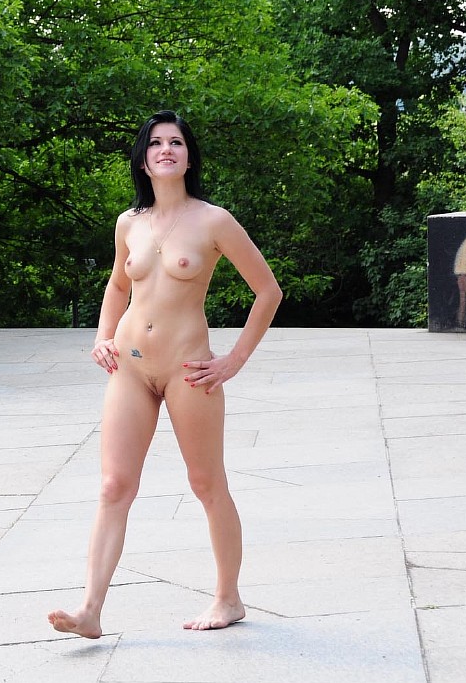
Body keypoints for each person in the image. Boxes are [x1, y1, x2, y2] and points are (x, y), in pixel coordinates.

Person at [48, 111, 282, 637]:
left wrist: (234, 360)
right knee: (114, 485)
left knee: (206, 483)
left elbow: (268, 291)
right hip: (130, 368)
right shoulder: (128, 223)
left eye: (176, 142)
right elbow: (117, 286)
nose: (166, 149)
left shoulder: (214, 221)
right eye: (155, 143)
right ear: (143, 159)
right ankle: (90, 610)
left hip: (188, 371)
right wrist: (102, 336)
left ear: (189, 157)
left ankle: (228, 598)